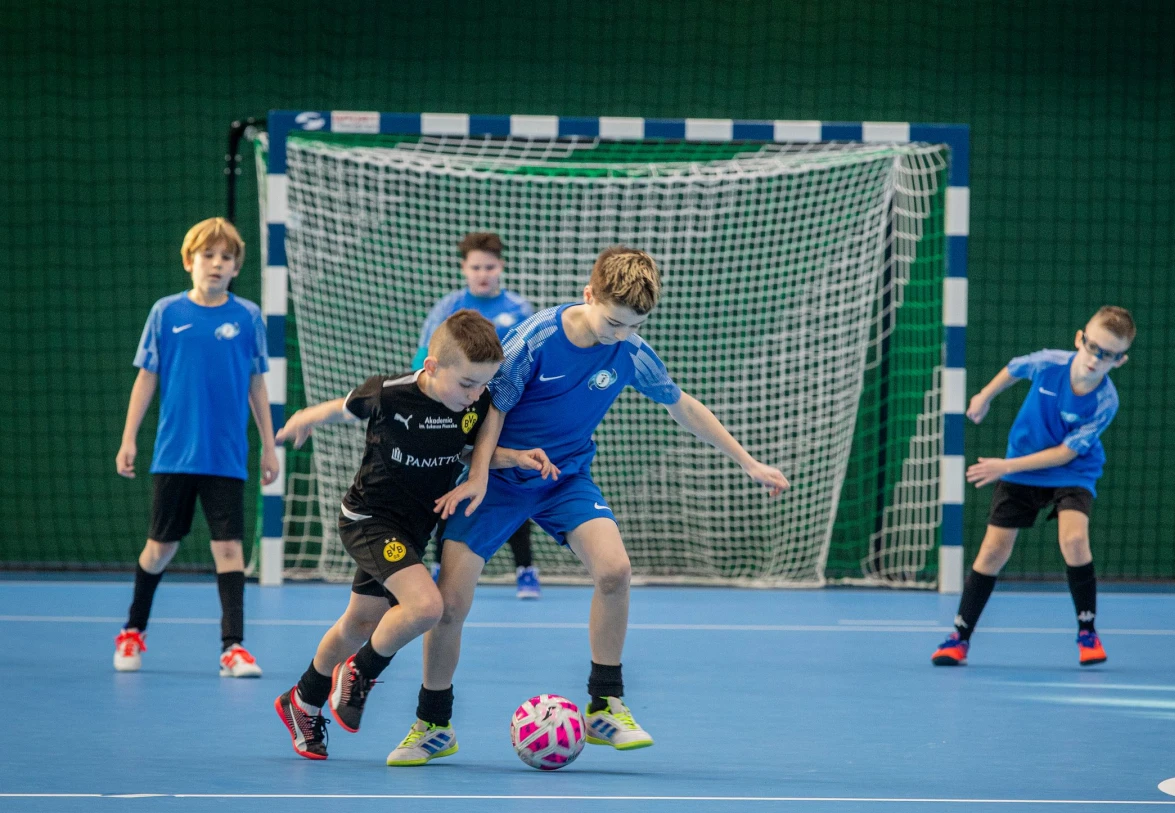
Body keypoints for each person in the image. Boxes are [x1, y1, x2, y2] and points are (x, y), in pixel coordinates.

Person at [384, 246, 790, 766]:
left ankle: (604, 705)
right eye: (614, 322)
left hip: (564, 477)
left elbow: (682, 404)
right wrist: (481, 475)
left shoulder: (630, 350)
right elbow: (492, 410)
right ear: (588, 295)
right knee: (451, 605)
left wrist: (748, 462)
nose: (621, 334)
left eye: (634, 326)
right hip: (500, 477)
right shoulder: (536, 338)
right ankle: (433, 724)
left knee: (615, 570)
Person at [272, 311, 553, 761]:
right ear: (432, 366)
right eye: (467, 384)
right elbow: (342, 409)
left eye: (483, 385)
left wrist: (515, 457)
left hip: (413, 529)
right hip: (369, 519)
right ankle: (360, 672)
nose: (476, 394)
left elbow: (466, 451)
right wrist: (306, 417)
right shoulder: (390, 393)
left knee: (359, 624)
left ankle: (302, 700)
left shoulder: (474, 404)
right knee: (427, 607)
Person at [113, 217, 278, 677]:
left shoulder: (247, 317)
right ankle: (132, 631)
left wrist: (269, 446)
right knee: (159, 548)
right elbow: (146, 379)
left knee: (229, 550)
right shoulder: (165, 313)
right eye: (208, 255)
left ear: (236, 267)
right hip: (174, 455)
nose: (217, 264)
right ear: (189, 261)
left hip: (226, 457)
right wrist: (128, 438)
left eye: (226, 257)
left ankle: (233, 648)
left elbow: (257, 385)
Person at [931, 306, 1136, 667]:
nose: (1095, 359)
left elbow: (1064, 454)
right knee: (993, 550)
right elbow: (1014, 368)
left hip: (1072, 470)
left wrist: (1004, 466)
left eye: (1107, 355)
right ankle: (959, 637)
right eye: (1092, 347)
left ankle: (1087, 632)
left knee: (1074, 540)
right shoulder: (1049, 363)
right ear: (1080, 339)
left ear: (1120, 360)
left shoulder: (1106, 401)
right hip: (1023, 464)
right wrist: (983, 396)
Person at [413, 232, 541, 599]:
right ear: (463, 269)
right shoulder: (448, 308)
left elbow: (531, 362)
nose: (482, 274)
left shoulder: (520, 309)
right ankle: (440, 564)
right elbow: (424, 356)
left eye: (489, 267)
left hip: (502, 411)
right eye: (476, 267)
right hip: (456, 409)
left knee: (509, 481)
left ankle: (525, 569)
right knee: (447, 482)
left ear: (501, 267)